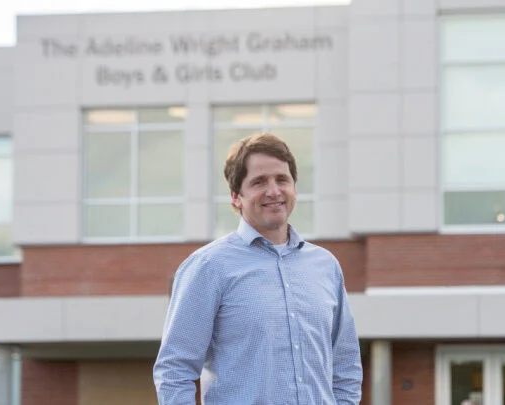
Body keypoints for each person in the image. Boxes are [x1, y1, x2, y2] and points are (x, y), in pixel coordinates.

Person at [153, 133, 363, 404]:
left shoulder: (325, 266)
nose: (274, 191)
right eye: (259, 182)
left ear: (294, 188)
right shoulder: (208, 267)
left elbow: (345, 365)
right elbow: (174, 370)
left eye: (282, 179)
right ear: (236, 196)